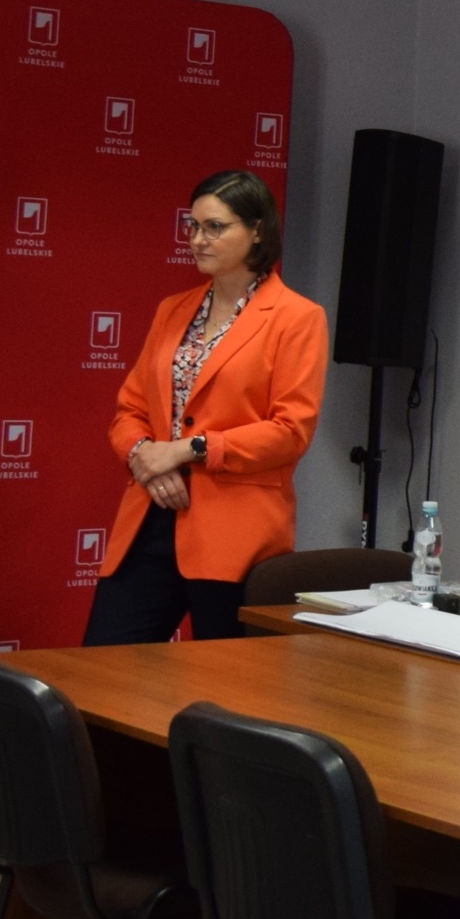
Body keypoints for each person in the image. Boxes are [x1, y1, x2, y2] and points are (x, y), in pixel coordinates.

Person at [83, 170, 327, 645]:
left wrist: (187, 449)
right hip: (152, 513)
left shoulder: (298, 317)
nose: (197, 239)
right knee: (99, 664)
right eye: (192, 226)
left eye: (215, 227)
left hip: (236, 533)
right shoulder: (172, 309)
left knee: (226, 680)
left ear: (257, 230)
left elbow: (289, 431)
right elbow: (129, 410)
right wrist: (145, 456)